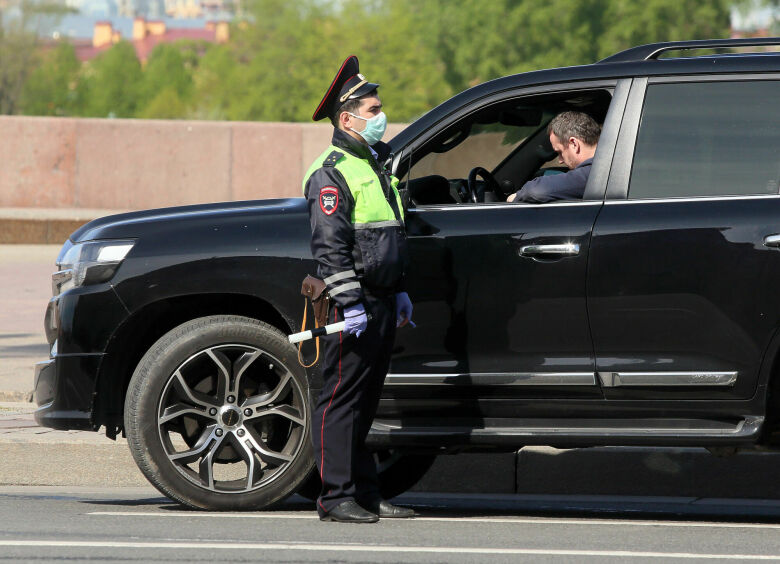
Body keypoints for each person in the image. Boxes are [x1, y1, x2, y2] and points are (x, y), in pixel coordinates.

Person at [302, 55, 415, 523]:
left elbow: (389, 233)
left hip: (383, 300)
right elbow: (331, 248)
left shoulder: (374, 163)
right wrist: (350, 303)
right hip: (353, 303)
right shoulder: (332, 171)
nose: (381, 115)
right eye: (374, 110)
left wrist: (400, 290)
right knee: (340, 401)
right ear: (347, 119)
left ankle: (366, 493)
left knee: (365, 402)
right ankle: (335, 497)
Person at [507, 111, 601, 203]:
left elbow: (536, 191)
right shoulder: (608, 165)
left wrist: (517, 197)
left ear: (574, 144)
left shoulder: (594, 173)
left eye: (559, 152)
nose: (560, 161)